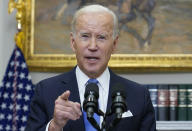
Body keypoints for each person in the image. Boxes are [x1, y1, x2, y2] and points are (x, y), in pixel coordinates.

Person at [25, 4, 156, 131]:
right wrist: (54, 126)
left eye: (101, 37)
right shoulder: (46, 91)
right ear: (73, 43)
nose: (93, 46)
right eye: (85, 36)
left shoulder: (139, 95)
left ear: (114, 44)